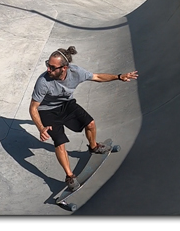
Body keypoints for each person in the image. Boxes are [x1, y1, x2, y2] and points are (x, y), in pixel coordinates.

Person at [28, 46, 138, 191]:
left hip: (66, 105)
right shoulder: (43, 81)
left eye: (53, 67)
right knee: (60, 142)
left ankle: (93, 147)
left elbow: (97, 77)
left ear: (64, 68)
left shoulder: (76, 72)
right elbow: (33, 108)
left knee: (90, 124)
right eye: (48, 65)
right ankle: (69, 176)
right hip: (47, 111)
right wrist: (41, 128)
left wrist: (118, 77)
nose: (49, 70)